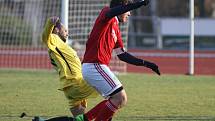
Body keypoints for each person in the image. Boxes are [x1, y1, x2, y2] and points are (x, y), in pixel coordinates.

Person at [77, 0, 161, 121]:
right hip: (94, 66)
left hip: (96, 67)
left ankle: (83, 119)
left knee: (114, 101)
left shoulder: (116, 28)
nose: (129, 14)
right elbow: (116, 11)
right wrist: (140, 3)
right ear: (122, 7)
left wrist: (146, 64)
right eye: (128, 10)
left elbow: (123, 55)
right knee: (121, 98)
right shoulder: (106, 13)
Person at [32, 16, 98, 121]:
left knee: (79, 119)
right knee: (113, 92)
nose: (67, 33)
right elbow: (45, 37)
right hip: (75, 82)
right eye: (65, 30)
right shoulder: (54, 39)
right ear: (56, 30)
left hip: (70, 85)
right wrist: (50, 23)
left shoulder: (60, 45)